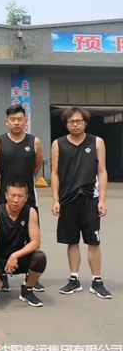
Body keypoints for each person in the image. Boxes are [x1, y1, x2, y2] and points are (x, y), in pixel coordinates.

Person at [51, 107, 112, 299]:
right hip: (67, 199)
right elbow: (54, 173)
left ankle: (97, 281)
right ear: (66, 124)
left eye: (79, 121)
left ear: (85, 122)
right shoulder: (58, 144)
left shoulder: (97, 142)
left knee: (93, 241)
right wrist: (55, 200)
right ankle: (74, 279)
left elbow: (102, 171)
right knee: (72, 241)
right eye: (71, 121)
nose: (75, 124)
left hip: (90, 199)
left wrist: (102, 199)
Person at [0, 104, 44, 292]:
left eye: (20, 119)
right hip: (6, 199)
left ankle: (31, 275)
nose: (16, 122)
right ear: (7, 122)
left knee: (31, 237)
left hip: (28, 198)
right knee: (2, 237)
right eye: (12, 119)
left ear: (25, 121)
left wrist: (24, 187)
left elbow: (37, 166)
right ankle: (2, 273)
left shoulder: (34, 141)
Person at [0, 181, 47, 307]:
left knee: (40, 258)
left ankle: (27, 290)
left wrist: (15, 255)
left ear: (26, 197)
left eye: (20, 196)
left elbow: (36, 242)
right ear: (6, 195)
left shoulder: (30, 212)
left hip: (19, 258)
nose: (16, 200)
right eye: (12, 195)